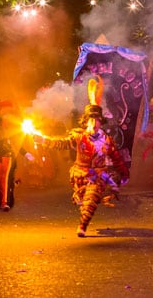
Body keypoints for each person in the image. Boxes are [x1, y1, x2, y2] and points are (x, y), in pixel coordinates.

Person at [33, 78, 129, 237]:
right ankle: (80, 200)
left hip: (98, 176)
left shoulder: (107, 140)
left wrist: (124, 174)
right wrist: (42, 140)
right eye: (91, 120)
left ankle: (82, 226)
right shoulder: (79, 136)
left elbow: (117, 159)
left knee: (91, 199)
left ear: (100, 122)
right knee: (83, 198)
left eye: (97, 120)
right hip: (80, 175)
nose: (94, 123)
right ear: (86, 122)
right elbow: (61, 144)